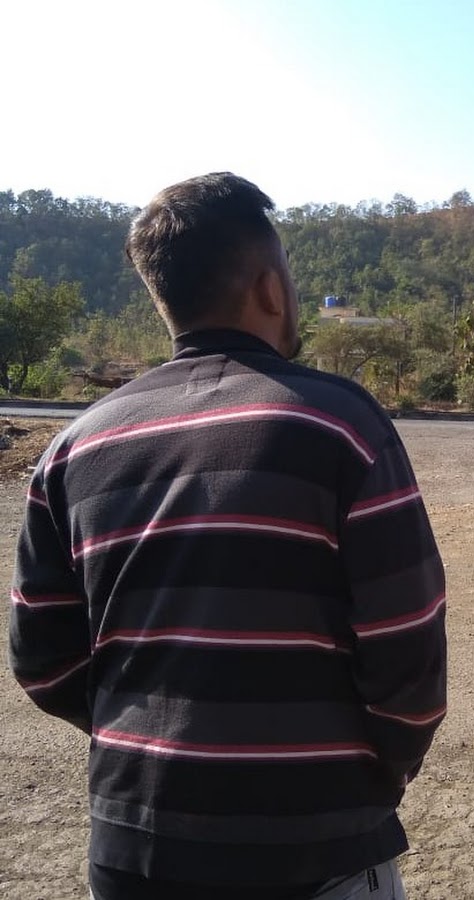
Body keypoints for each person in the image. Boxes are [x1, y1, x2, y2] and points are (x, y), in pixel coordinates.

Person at [8, 173, 447, 900]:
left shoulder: (75, 447)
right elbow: (408, 645)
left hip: (133, 848)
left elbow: (43, 659)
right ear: (270, 288)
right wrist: (375, 768)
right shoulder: (339, 423)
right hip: (315, 846)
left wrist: (147, 735)